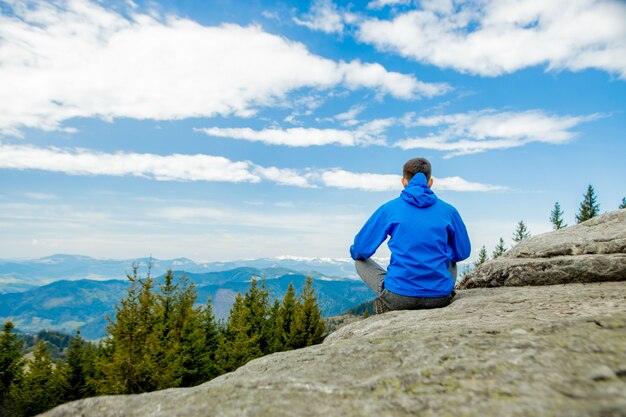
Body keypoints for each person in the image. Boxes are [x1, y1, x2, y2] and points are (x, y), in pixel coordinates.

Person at [349, 157, 471, 313]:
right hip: (439, 297)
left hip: (398, 297)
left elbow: (360, 250)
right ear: (430, 182)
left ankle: (391, 294)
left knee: (359, 261)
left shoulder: (389, 209)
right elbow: (463, 252)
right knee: (452, 259)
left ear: (403, 182)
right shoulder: (449, 211)